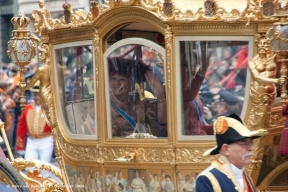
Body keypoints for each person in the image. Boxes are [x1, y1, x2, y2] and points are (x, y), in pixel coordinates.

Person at [195, 113, 268, 192]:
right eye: (244, 143)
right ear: (226, 149)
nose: (251, 148)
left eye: (251, 143)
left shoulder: (246, 177)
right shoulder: (208, 178)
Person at [108, 56, 167, 137]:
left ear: (130, 83)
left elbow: (162, 124)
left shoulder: (140, 102)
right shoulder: (105, 105)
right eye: (114, 79)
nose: (117, 83)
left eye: (122, 79)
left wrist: (160, 97)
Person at [16, 83, 53, 178]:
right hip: (31, 141)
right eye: (35, 95)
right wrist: (20, 146)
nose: (37, 97)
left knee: (45, 168)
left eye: (39, 94)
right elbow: (21, 126)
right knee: (29, 167)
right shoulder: (28, 108)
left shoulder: (49, 108)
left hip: (46, 140)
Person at [181, 41, 213, 135]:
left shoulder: (194, 91)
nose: (189, 70)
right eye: (185, 65)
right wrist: (202, 71)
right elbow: (187, 96)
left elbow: (201, 125)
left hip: (199, 137)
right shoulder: (174, 88)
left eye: (193, 66)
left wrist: (218, 127)